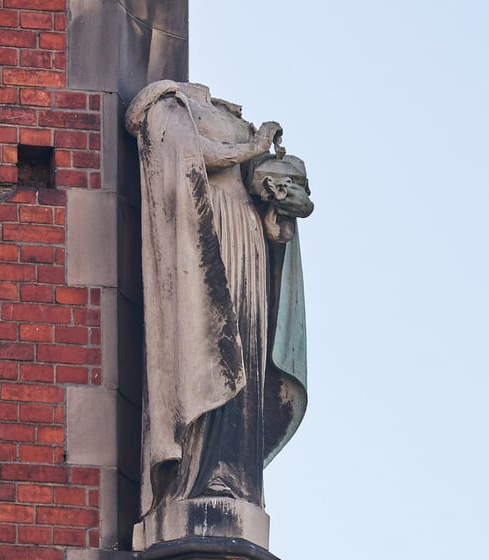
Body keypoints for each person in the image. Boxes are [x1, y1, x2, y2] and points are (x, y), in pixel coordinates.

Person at [125, 81, 311, 548]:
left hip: (245, 236)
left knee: (246, 357)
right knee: (208, 353)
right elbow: (182, 154)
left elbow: (257, 181)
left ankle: (236, 477)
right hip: (204, 235)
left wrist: (274, 198)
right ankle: (197, 479)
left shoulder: (229, 114)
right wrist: (251, 148)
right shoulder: (166, 101)